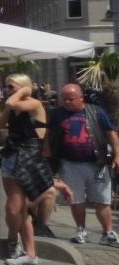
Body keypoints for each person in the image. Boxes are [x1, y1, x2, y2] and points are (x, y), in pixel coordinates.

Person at [0, 74, 74, 265]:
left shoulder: (33, 104)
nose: (7, 90)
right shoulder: (11, 108)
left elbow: (12, 103)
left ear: (24, 87)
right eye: (6, 86)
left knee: (14, 208)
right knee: (20, 208)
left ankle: (13, 240)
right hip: (10, 156)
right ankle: (29, 253)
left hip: (28, 158)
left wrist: (25, 90)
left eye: (11, 87)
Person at [47, 83, 119, 247]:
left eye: (71, 99)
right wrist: (47, 149)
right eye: (64, 99)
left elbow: (110, 133)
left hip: (97, 163)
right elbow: (49, 133)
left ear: (81, 97)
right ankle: (81, 230)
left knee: (102, 199)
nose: (67, 102)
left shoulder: (96, 111)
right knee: (76, 199)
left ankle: (108, 233)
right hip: (69, 163)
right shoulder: (57, 114)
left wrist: (117, 155)